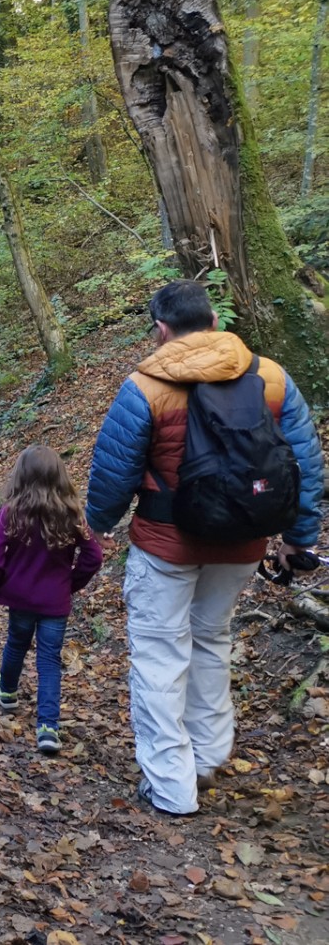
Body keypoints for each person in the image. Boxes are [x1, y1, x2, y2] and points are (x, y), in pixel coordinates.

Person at [86, 280, 323, 816]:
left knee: (159, 656)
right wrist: (299, 539)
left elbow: (113, 472)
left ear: (161, 330)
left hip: (167, 545)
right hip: (243, 543)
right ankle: (209, 755)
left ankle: (171, 785)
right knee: (211, 639)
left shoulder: (145, 386)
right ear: (215, 321)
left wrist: (94, 525)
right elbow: (305, 464)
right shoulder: (271, 378)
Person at [0, 445, 103, 755]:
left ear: (21, 476)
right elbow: (93, 556)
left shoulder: (11, 513)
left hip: (21, 600)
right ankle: (48, 727)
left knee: (16, 643)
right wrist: (68, 585)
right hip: (54, 605)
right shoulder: (72, 514)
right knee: (49, 661)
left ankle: (7, 692)